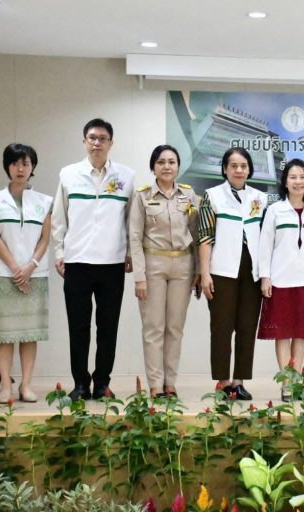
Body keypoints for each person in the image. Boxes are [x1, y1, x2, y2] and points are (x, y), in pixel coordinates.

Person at [51, 118, 135, 401]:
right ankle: (80, 383)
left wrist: (129, 253)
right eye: (92, 138)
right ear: (84, 141)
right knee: (78, 327)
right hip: (77, 261)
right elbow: (59, 216)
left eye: (102, 138)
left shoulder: (126, 177)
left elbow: (131, 221)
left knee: (108, 327)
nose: (97, 143)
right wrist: (60, 252)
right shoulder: (69, 174)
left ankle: (102, 383)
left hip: (112, 263)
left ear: (111, 143)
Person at [128, 145, 200, 398]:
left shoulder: (189, 195)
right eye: (161, 162)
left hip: (183, 265)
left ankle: (170, 383)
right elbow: (134, 237)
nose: (167, 166)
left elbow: (196, 234)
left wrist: (198, 270)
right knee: (153, 327)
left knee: (175, 327)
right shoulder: (142, 196)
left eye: (171, 162)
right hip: (153, 265)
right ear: (153, 167)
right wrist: (139, 277)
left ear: (178, 166)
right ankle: (155, 385)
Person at [0, 144, 52, 403]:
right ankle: (5, 385)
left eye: (26, 163)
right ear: (7, 167)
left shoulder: (45, 201)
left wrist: (30, 266)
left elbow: (45, 238)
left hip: (35, 275)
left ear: (33, 167)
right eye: (15, 163)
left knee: (29, 333)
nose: (20, 168)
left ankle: (26, 385)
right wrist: (16, 270)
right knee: (5, 334)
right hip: (4, 274)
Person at [198, 147, 267, 400]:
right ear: (225, 169)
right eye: (233, 166)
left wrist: (266, 273)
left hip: (252, 270)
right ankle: (223, 381)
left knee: (247, 326)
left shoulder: (260, 198)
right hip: (222, 269)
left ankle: (239, 381)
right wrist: (204, 273)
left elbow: (266, 237)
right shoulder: (212, 196)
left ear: (249, 170)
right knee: (221, 327)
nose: (239, 170)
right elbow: (205, 237)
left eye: (243, 166)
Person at [257, 159, 304, 401]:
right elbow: (265, 245)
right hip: (280, 279)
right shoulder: (275, 210)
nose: (298, 181)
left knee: (301, 333)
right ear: (285, 182)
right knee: (282, 333)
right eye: (293, 177)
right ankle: (286, 383)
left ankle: (296, 382)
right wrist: (265, 276)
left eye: (303, 177)